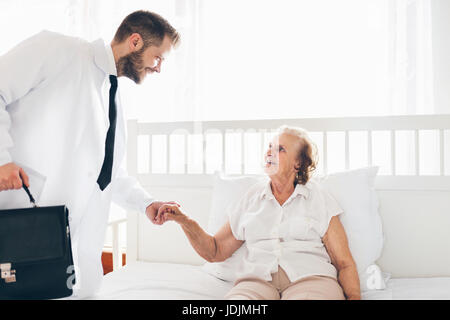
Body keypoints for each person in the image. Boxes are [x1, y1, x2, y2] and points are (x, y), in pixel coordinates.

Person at [0, 10, 180, 298]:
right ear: (135, 42)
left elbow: (108, 173)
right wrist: (1, 159)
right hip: (25, 227)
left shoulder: (112, 98)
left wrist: (146, 203)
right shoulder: (58, 50)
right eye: (158, 57)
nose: (158, 67)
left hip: (73, 255)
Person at [157, 126, 361, 300]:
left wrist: (353, 297)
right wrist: (184, 221)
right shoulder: (251, 198)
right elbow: (215, 250)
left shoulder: (318, 197)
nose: (269, 153)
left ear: (297, 163)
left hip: (311, 279)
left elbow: (344, 263)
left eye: (280, 149)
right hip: (257, 282)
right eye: (269, 147)